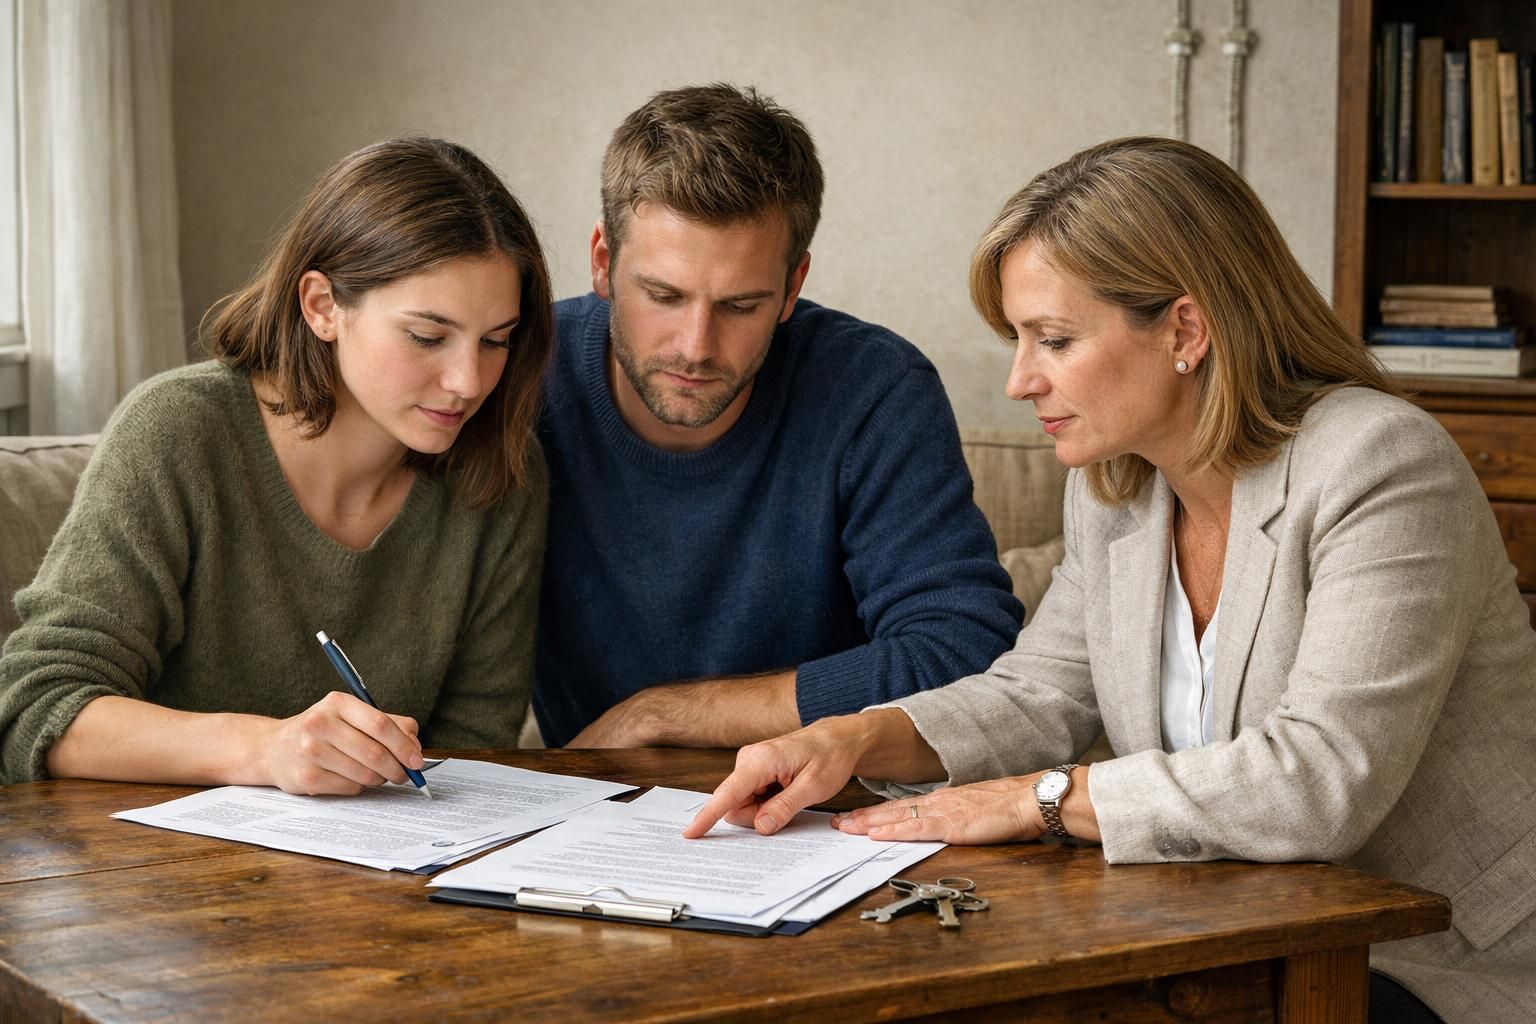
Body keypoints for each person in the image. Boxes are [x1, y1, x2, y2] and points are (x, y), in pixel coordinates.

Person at [686, 137, 1536, 1023]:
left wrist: (1043, 799)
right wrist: (852, 739)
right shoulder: (1116, 483)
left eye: (1053, 340)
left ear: (1185, 330)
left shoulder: (1381, 464)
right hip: (1231, 930)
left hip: (1431, 959)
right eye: (1019, 340)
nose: (1019, 380)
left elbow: (1320, 781)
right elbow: (1039, 694)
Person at [0, 137, 553, 794]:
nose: (468, 381)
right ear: (322, 306)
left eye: (496, 341)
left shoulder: (500, 473)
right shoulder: (179, 433)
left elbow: (474, 753)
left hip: (382, 854)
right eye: (427, 337)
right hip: (146, 852)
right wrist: (261, 750)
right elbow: (37, 707)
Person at [534, 83, 1024, 750]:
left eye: (740, 306)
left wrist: (663, 715)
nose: (696, 347)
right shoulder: (518, 376)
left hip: (826, 799)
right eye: (664, 296)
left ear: (793, 287)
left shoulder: (874, 390)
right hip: (588, 797)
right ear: (602, 262)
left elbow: (962, 646)